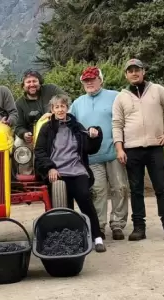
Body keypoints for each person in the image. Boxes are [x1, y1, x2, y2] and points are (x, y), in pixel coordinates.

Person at [112, 58, 164, 241]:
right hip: (132, 150)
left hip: (155, 148)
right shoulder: (121, 97)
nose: (134, 73)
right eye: (130, 70)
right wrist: (119, 148)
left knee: (161, 188)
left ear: (143, 71)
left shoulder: (157, 90)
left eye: (137, 69)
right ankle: (139, 228)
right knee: (136, 190)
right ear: (126, 74)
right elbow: (116, 124)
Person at [34, 94, 106, 252]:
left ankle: (97, 237)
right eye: (57, 107)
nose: (60, 110)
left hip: (76, 169)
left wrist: (95, 136)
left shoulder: (77, 126)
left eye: (63, 106)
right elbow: (39, 151)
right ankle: (67, 240)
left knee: (84, 198)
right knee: (63, 207)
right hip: (57, 171)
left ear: (67, 108)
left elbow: (89, 148)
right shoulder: (47, 128)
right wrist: (50, 167)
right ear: (52, 110)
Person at [70, 66, 129, 241]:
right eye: (86, 80)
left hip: (114, 152)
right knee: (98, 191)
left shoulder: (116, 96)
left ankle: (117, 224)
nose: (89, 83)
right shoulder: (78, 103)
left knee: (120, 188)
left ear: (100, 80)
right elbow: (69, 123)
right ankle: (99, 226)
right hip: (92, 156)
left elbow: (127, 119)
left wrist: (123, 146)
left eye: (92, 79)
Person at [14, 69, 65, 174]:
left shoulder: (51, 89)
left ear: (40, 82)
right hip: (32, 137)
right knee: (19, 142)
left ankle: (63, 170)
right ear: (23, 85)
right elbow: (18, 126)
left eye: (34, 81)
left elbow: (65, 99)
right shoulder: (19, 103)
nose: (32, 84)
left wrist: (53, 112)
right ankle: (26, 175)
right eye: (28, 82)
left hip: (54, 131)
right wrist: (24, 134)